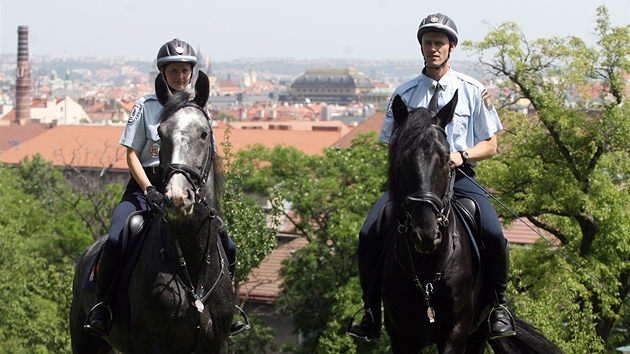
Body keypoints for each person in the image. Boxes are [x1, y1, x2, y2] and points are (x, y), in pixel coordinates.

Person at [347, 13, 516, 341]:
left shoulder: (473, 90)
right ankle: (370, 310)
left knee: (494, 233)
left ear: (451, 47)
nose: (433, 49)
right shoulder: (404, 94)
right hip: (412, 184)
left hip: (460, 176)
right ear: (421, 48)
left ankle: (499, 308)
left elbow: (492, 145)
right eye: (428, 43)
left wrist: (461, 155)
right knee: (369, 232)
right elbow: (390, 145)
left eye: (439, 43)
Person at [84, 38, 245, 337]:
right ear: (163, 72)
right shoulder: (146, 106)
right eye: (174, 70)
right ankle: (103, 307)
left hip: (188, 188)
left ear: (191, 73)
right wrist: (148, 190)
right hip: (146, 187)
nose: (180, 76)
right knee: (120, 236)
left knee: (227, 243)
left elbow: (207, 157)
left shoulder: (199, 109)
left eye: (185, 71)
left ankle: (227, 309)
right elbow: (131, 154)